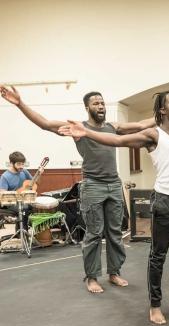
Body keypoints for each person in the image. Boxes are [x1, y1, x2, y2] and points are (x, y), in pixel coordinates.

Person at [59, 90, 169, 325]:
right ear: (162, 110)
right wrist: (87, 132)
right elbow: (118, 140)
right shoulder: (154, 134)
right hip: (165, 202)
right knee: (158, 256)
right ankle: (155, 305)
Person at [0, 86, 155, 293]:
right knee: (93, 233)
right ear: (87, 107)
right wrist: (20, 103)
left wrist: (161, 112)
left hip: (114, 185)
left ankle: (114, 272)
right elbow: (45, 124)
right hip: (93, 186)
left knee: (115, 232)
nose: (100, 106)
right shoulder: (77, 128)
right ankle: (92, 277)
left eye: (102, 103)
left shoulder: (112, 127)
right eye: (95, 103)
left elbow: (141, 124)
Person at [0, 151, 35, 230]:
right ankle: (22, 232)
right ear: (11, 163)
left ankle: (38, 234)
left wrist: (39, 174)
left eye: (23, 164)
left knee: (37, 206)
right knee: (24, 208)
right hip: (10, 203)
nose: (21, 166)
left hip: (23, 200)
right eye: (19, 164)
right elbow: (2, 195)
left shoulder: (24, 172)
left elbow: (34, 182)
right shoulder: (5, 177)